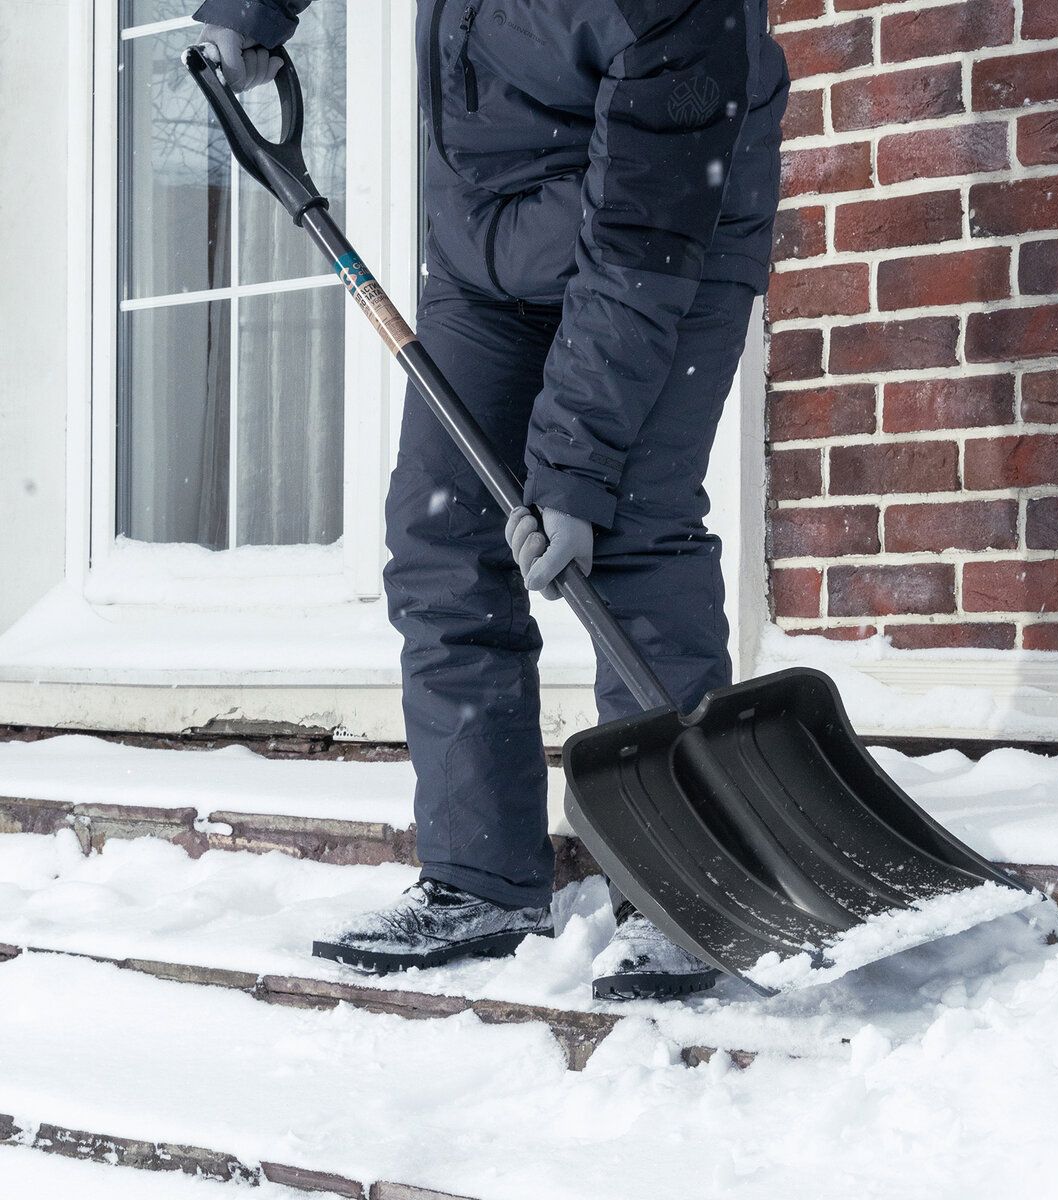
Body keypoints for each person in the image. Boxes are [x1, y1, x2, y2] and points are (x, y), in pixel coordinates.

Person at [194, 0, 788, 999]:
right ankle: (481, 880)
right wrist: (248, 15)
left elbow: (639, 244)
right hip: (481, 244)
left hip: (670, 236)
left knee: (631, 532)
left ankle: (682, 886)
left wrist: (573, 473)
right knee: (443, 541)